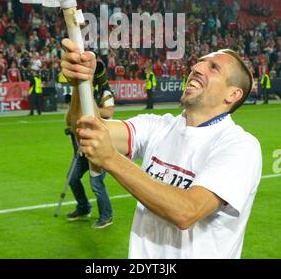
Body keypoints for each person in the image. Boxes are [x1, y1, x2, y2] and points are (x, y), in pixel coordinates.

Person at [61, 40, 262, 259]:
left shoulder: (240, 146)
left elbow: (187, 211)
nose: (196, 67)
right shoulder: (158, 126)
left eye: (214, 67)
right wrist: (81, 83)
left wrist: (111, 159)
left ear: (232, 95)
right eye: (200, 62)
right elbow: (86, 128)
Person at [66, 60, 115, 229]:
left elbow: (108, 112)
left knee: (96, 184)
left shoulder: (106, 92)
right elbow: (69, 117)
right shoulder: (80, 92)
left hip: (98, 145)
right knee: (72, 179)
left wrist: (88, 106)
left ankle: (106, 216)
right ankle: (83, 207)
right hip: (82, 148)